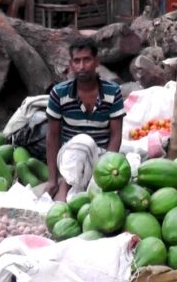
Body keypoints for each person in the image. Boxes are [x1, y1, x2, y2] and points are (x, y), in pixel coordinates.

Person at [45, 38, 125, 201]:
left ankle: (78, 187)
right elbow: (52, 136)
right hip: (70, 156)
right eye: (77, 61)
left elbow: (116, 135)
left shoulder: (113, 92)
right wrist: (52, 179)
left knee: (129, 166)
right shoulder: (59, 93)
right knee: (83, 142)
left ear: (97, 62)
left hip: (99, 155)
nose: (81, 66)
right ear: (71, 64)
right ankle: (65, 186)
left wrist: (107, 169)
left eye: (87, 60)